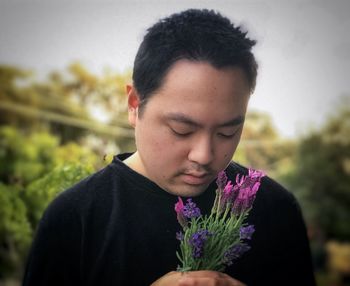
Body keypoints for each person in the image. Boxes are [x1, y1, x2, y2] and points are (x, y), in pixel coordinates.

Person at [22, 9, 316, 286]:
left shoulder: (277, 210)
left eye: (227, 132)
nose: (204, 156)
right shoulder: (74, 219)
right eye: (182, 130)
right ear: (134, 105)